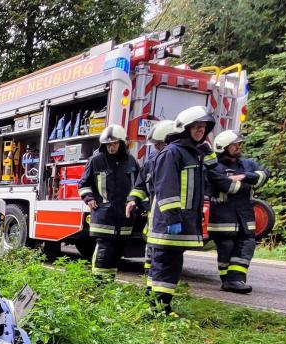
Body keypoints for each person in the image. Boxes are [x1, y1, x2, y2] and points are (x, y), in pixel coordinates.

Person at [146, 106, 221, 312]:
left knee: (168, 264)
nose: (200, 131)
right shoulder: (172, 153)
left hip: (182, 220)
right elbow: (166, 188)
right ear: (184, 128)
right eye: (196, 127)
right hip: (169, 222)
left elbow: (215, 175)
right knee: (166, 265)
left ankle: (155, 304)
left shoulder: (193, 154)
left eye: (203, 128)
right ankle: (159, 309)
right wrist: (172, 219)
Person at [207, 130, 269, 293]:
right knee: (226, 247)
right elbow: (223, 185)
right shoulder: (215, 167)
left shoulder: (247, 164)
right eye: (234, 145)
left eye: (239, 144)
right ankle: (227, 280)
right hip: (223, 218)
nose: (238, 147)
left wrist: (243, 176)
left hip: (244, 216)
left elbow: (263, 175)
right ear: (223, 147)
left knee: (247, 245)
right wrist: (247, 180)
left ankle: (237, 280)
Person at [79, 124, 139, 278]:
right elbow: (83, 184)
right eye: (108, 144)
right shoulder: (96, 160)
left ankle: (108, 284)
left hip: (124, 219)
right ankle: (98, 284)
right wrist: (89, 198)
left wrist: (140, 204)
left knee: (117, 252)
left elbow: (140, 185)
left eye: (114, 144)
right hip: (103, 216)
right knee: (104, 251)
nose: (111, 147)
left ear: (121, 143)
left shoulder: (131, 161)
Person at [128, 120, 177, 292]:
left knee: (165, 258)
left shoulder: (178, 159)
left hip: (170, 217)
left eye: (159, 145)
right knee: (153, 256)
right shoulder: (152, 161)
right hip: (154, 217)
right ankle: (151, 290)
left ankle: (157, 297)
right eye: (155, 145)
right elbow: (140, 186)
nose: (156, 148)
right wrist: (134, 199)